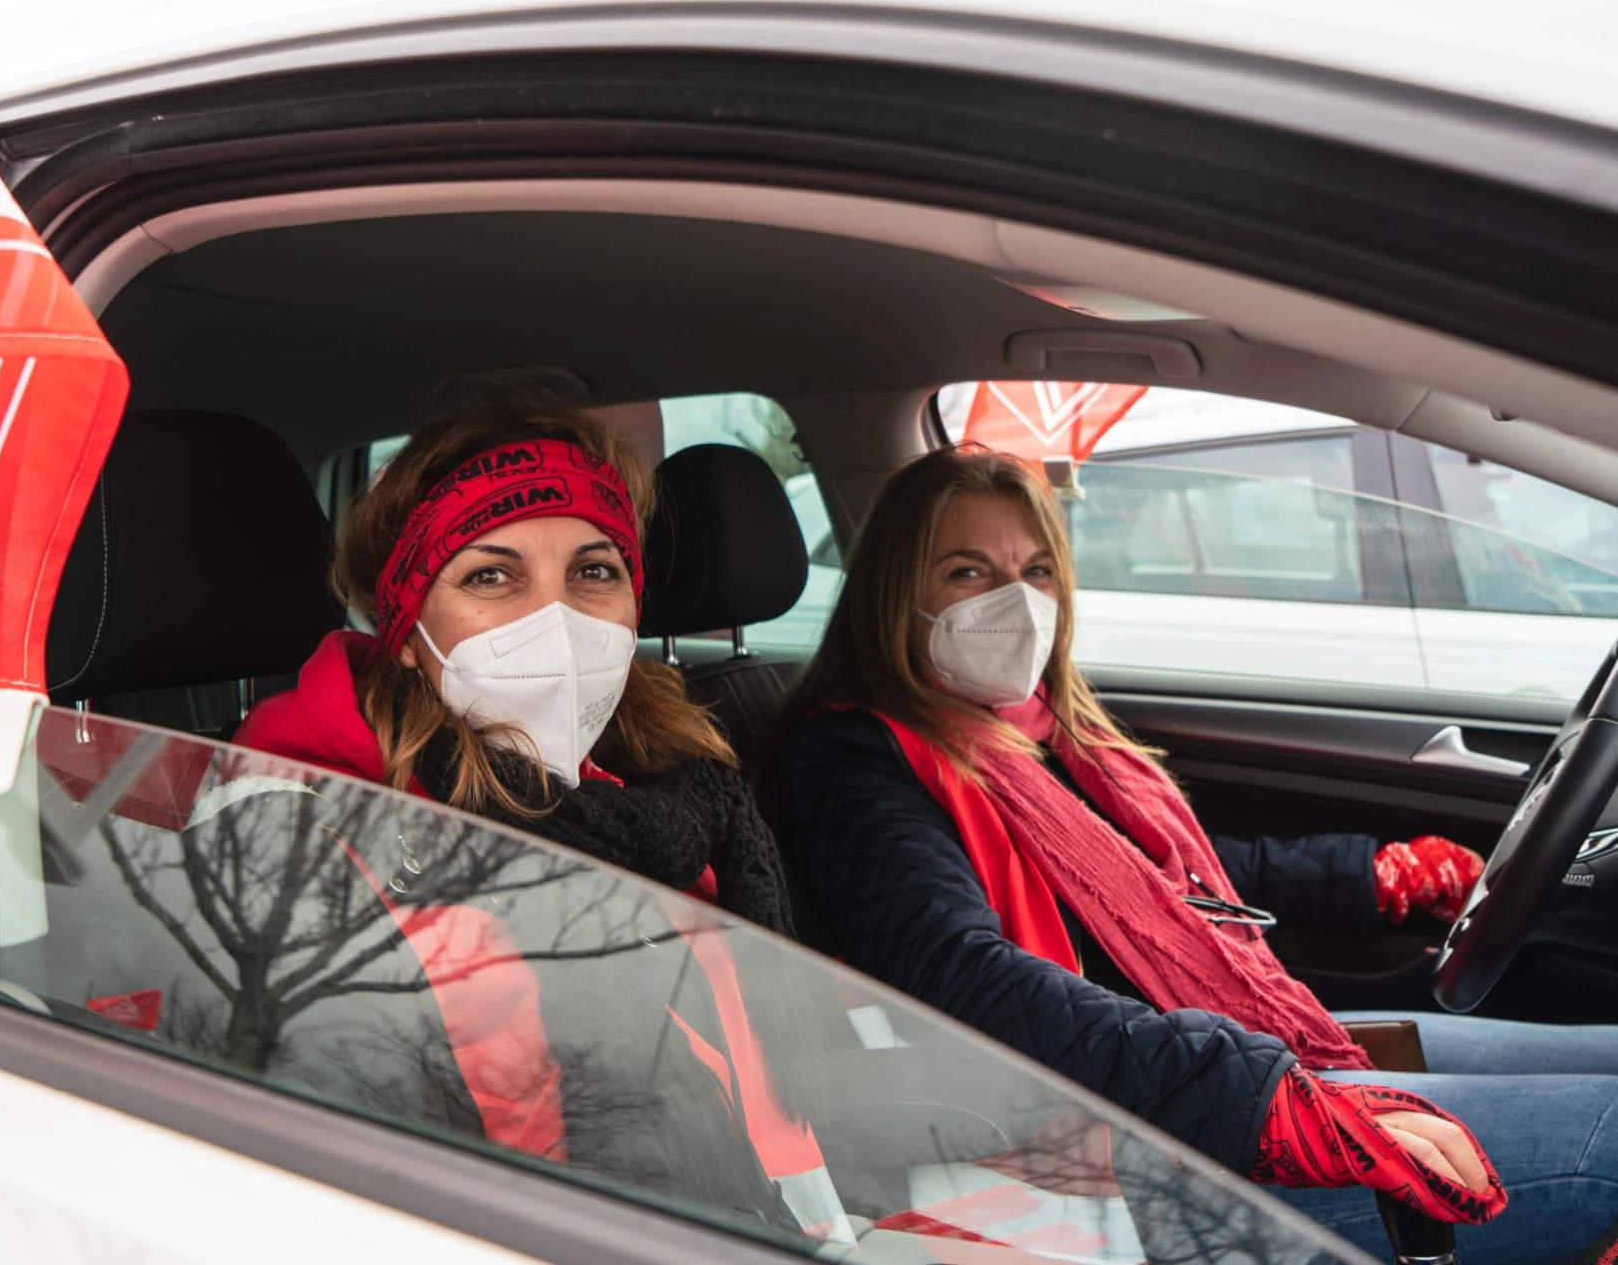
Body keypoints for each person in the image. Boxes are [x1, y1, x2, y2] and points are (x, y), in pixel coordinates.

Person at [765, 443, 1618, 1265]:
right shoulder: (851, 761)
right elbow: (955, 975)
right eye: (967, 571)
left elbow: (1190, 885)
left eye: (1035, 570)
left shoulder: (1045, 739)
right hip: (1124, 1138)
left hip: (1203, 1067)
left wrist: (1376, 876)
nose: (1015, 600)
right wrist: (1254, 1099)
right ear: (894, 593)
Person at [235, 397, 850, 1240]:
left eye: (594, 571)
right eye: (491, 574)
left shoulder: (668, 794)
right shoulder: (308, 835)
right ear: (408, 631)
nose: (554, 619)